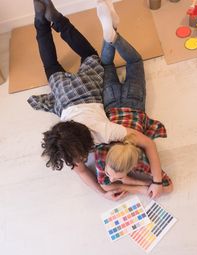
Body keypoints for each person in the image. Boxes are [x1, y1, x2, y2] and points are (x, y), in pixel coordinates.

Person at [28, 0, 166, 200]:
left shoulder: (103, 131)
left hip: (88, 92)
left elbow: (82, 171)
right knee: (56, 64)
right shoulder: (67, 138)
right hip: (66, 94)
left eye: (82, 157)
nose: (82, 160)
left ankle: (44, 20)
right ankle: (49, 21)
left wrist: (104, 193)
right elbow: (83, 170)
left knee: (89, 55)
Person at [94, 1, 173, 197]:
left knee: (134, 61)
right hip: (112, 103)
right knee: (107, 66)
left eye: (112, 176)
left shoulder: (113, 157)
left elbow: (106, 187)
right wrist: (139, 184)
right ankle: (111, 34)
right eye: (114, 176)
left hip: (134, 102)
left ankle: (113, 35)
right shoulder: (102, 155)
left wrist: (129, 184)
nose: (111, 179)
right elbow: (167, 186)